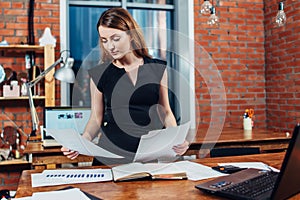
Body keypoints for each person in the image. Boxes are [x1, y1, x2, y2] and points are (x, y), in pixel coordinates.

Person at [62, 7, 189, 165]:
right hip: (109, 156)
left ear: (130, 35)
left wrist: (176, 139)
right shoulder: (99, 73)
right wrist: (82, 141)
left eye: (115, 38)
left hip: (146, 156)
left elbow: (165, 112)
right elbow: (96, 118)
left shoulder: (157, 68)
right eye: (104, 40)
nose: (110, 46)